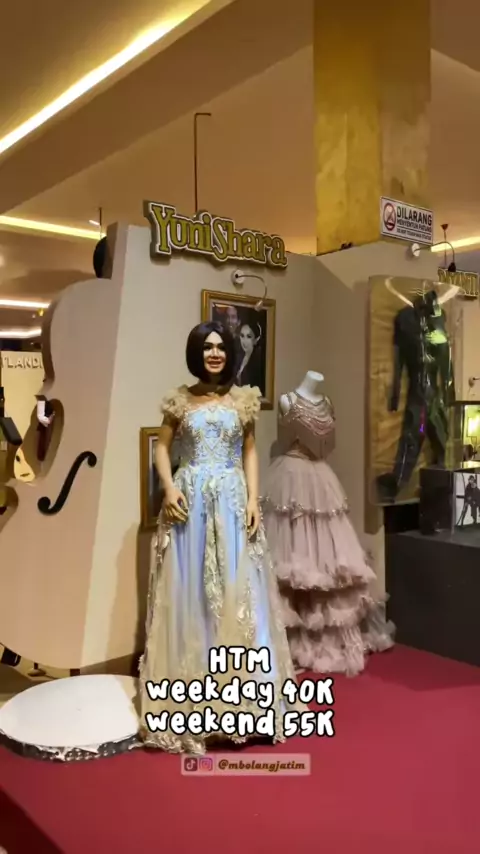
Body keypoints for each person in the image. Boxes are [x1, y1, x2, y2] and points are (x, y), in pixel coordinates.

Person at [139, 320, 303, 754]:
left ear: (229, 353)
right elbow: (161, 446)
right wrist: (169, 487)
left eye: (220, 347)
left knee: (238, 589)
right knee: (192, 593)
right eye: (207, 347)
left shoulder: (243, 400)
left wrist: (253, 499)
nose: (214, 353)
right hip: (191, 503)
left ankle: (250, 704)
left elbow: (249, 449)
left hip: (231, 502)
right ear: (197, 352)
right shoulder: (180, 400)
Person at [237, 320, 264, 393]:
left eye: (249, 336)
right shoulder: (239, 357)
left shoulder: (258, 362)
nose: (244, 341)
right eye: (242, 336)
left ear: (256, 339)